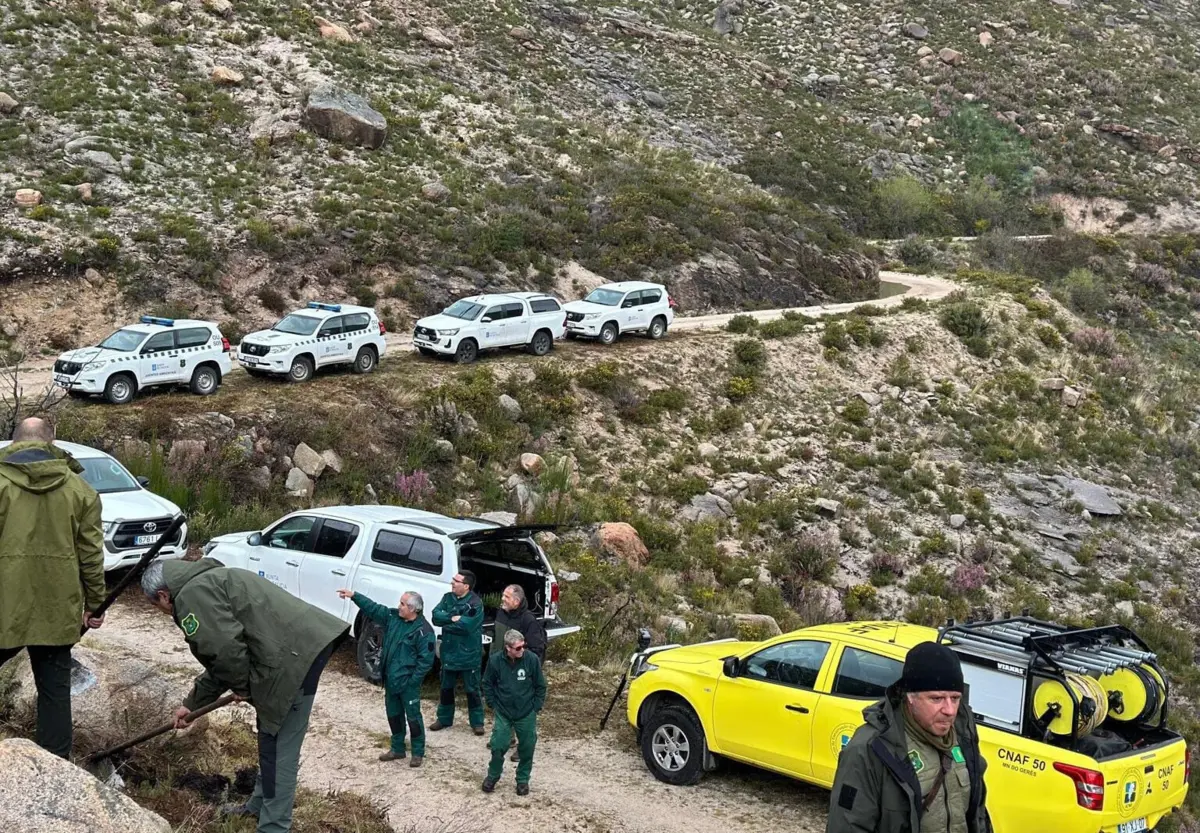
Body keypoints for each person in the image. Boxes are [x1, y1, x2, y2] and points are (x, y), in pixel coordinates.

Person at [142, 558, 349, 833]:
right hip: (287, 652)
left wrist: (243, 686)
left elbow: (225, 652)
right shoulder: (205, 580)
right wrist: (191, 704)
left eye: (158, 607)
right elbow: (221, 656)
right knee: (269, 735)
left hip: (293, 658)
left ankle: (274, 826)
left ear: (163, 595)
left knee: (279, 748)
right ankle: (259, 804)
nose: (163, 613)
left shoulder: (192, 596)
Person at [0, 417, 105, 759]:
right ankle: (56, 767)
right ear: (53, 440)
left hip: (4, 605)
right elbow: (91, 554)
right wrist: (95, 602)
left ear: (13, 441)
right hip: (56, 607)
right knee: (55, 693)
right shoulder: (81, 490)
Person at [826, 641, 991, 833]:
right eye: (936, 699)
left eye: (955, 698)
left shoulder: (964, 735)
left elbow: (978, 814)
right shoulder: (870, 749)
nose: (950, 710)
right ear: (910, 697)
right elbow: (847, 826)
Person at [337, 588, 435, 767]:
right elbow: (373, 608)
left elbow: (425, 662)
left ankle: (418, 752)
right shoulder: (393, 619)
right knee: (393, 716)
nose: (399, 606)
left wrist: (412, 682)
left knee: (413, 719)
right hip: (391, 681)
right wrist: (354, 596)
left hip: (408, 685)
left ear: (413, 609)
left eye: (403, 604)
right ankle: (397, 748)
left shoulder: (424, 632)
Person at [481, 628, 546, 796]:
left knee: (527, 747)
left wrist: (535, 707)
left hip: (525, 712)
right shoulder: (495, 660)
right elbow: (487, 683)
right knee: (498, 746)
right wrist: (492, 703)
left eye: (523, 646)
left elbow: (540, 685)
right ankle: (492, 776)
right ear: (508, 648)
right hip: (503, 711)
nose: (521, 650)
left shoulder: (531, 660)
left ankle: (522, 780)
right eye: (517, 648)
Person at [493, 584, 547, 761]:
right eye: (503, 595)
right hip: (502, 668)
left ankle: (523, 747)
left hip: (521, 672)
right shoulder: (501, 613)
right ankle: (505, 738)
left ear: (516, 601)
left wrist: (528, 672)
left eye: (506, 597)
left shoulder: (528, 620)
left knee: (522, 712)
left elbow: (537, 649)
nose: (502, 599)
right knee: (503, 703)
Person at [429, 570, 485, 735]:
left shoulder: (476, 604)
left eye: (456, 581)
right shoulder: (447, 598)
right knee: (446, 688)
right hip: (449, 653)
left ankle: (477, 722)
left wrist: (447, 623)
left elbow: (467, 626)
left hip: (469, 654)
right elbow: (435, 616)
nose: (452, 583)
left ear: (466, 586)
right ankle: (444, 718)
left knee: (472, 690)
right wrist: (452, 618)